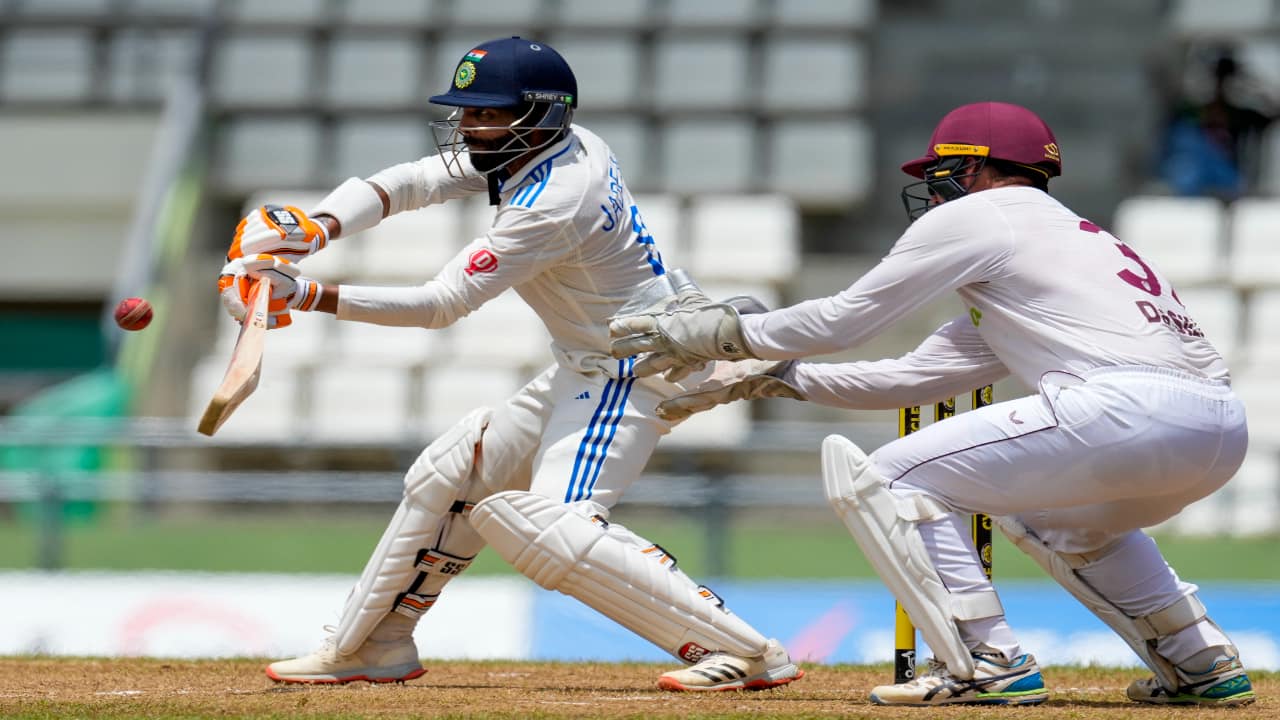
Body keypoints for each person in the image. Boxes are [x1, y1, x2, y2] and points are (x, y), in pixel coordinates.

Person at [609, 101, 1256, 707]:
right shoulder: (1065, 249)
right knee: (1061, 522)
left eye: (943, 173)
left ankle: (986, 662)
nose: (935, 190)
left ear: (972, 168)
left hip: (1125, 411)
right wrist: (781, 375)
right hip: (1217, 430)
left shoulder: (980, 215)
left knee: (892, 477)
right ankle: (1201, 661)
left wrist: (729, 334)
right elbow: (918, 377)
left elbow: (846, 317)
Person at [215, 36, 803, 692]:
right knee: (458, 466)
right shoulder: (545, 146)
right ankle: (371, 646)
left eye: (489, 113)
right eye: (468, 111)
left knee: (546, 526)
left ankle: (748, 652)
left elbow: (440, 305)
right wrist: (315, 225)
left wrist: (306, 294)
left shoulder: (554, 200)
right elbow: (414, 181)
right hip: (588, 366)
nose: (471, 125)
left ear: (544, 112)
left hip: (630, 376)